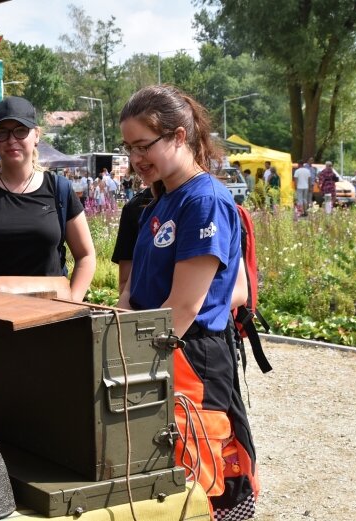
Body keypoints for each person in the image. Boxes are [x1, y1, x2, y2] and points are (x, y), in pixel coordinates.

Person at [116, 85, 258, 519]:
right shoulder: (160, 198)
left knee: (201, 479)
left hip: (188, 358)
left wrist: (129, 359)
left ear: (179, 137)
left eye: (144, 146)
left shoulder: (205, 200)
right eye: (129, 148)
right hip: (158, 350)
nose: (137, 159)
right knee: (157, 476)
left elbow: (184, 307)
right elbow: (133, 290)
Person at [0, 96, 96, 302]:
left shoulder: (59, 189)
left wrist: (72, 302)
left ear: (36, 135)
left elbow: (86, 256)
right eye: (2, 133)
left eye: (20, 130)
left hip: (50, 318)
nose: (11, 140)